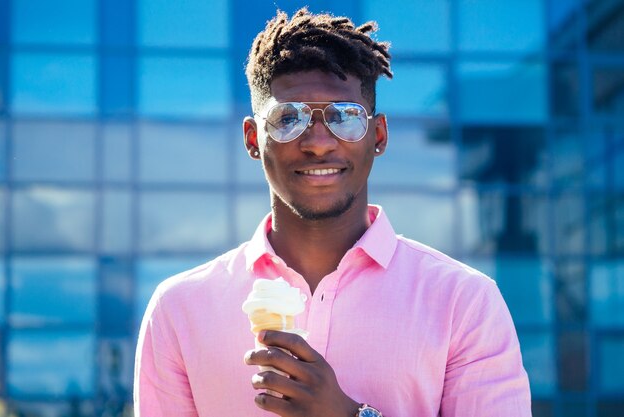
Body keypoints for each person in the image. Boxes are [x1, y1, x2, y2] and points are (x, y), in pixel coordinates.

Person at [134, 8, 531, 417]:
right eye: (289, 118)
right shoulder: (179, 310)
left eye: (344, 117)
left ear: (377, 135)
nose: (319, 143)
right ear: (254, 139)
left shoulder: (462, 303)